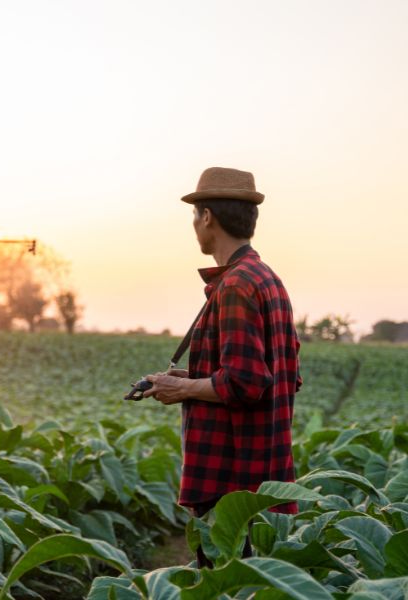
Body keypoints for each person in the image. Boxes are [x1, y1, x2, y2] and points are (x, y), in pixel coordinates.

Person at [142, 166, 302, 567]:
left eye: (195, 216)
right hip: (265, 477)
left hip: (231, 483)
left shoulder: (234, 286)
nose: (194, 226)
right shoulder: (266, 279)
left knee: (222, 586)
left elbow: (246, 383)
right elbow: (278, 376)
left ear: (207, 217)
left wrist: (183, 390)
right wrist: (181, 379)